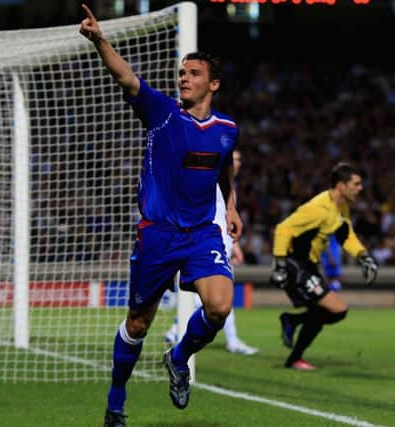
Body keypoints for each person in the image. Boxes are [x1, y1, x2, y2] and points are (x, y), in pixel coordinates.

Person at [79, 5, 243, 427]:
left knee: (220, 306)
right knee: (138, 322)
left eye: (193, 73)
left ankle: (179, 357)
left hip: (202, 233)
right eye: (182, 72)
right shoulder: (162, 112)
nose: (183, 78)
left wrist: (234, 205)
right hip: (158, 234)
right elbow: (125, 76)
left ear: (213, 83)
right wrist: (100, 40)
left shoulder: (227, 128)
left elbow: (223, 169)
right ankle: (116, 403)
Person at [269, 162, 378, 371]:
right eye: (356, 184)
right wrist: (280, 266)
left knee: (319, 316)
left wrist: (363, 257)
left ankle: (294, 357)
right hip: (296, 263)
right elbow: (283, 229)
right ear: (341, 185)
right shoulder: (318, 209)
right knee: (338, 309)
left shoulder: (341, 207)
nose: (360, 188)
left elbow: (345, 235)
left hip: (309, 264)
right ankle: (292, 321)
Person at [163, 149, 258, 355]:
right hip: (210, 241)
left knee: (218, 295)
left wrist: (236, 245)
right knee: (217, 295)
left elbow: (227, 216)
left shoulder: (232, 185)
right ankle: (179, 330)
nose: (238, 162)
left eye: (240, 159)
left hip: (223, 240)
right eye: (235, 158)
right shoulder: (214, 181)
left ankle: (178, 330)